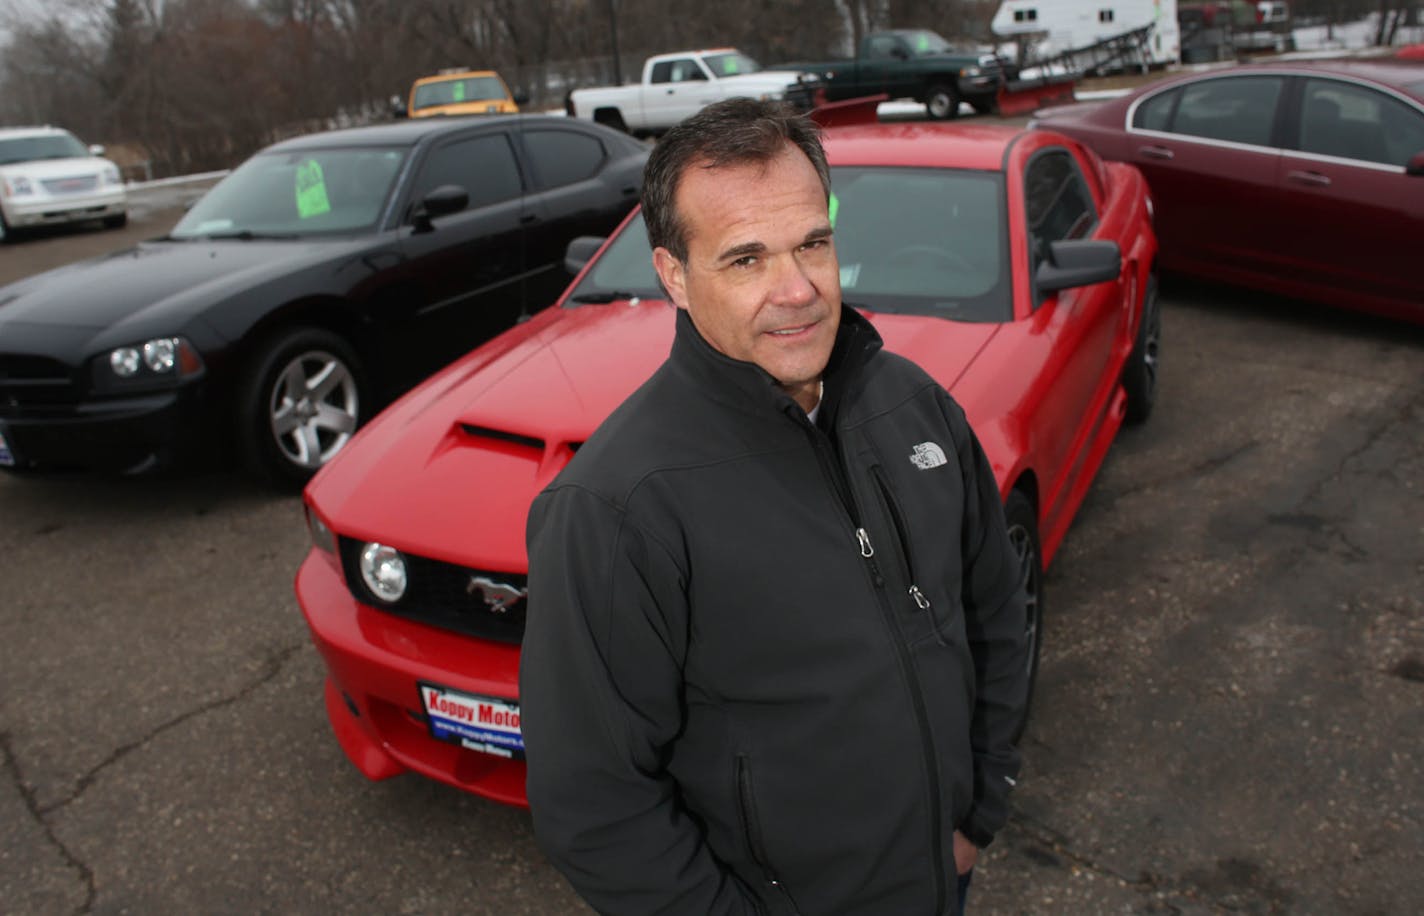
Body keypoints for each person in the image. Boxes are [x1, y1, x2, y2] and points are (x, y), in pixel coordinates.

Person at [520, 97, 1029, 916]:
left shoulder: (914, 406)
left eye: (813, 245)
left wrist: (981, 807)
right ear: (674, 277)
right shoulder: (617, 505)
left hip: (941, 874)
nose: (796, 290)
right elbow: (595, 806)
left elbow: (995, 611)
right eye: (746, 259)